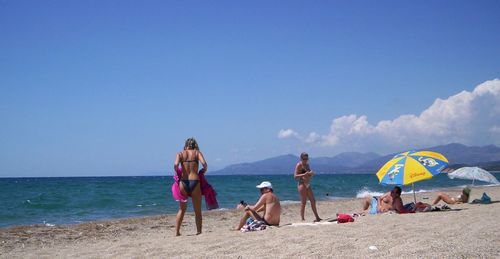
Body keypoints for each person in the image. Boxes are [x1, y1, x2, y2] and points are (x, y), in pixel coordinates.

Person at [173, 137, 208, 236]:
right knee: (197, 211)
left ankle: (177, 232)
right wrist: (203, 171)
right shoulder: (197, 153)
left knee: (181, 209)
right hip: (195, 182)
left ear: (186, 145)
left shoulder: (180, 154)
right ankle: (199, 231)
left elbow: (175, 165)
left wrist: (179, 172)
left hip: (183, 183)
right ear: (195, 145)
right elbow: (204, 164)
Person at [294, 152, 322, 222]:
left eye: (307, 159)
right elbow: (295, 176)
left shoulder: (307, 165)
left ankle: (317, 217)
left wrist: (310, 174)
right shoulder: (299, 165)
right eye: (304, 159)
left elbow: (309, 174)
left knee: (313, 200)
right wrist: (304, 174)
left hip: (307, 184)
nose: (305, 160)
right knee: (304, 202)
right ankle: (302, 218)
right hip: (302, 184)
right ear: (301, 158)